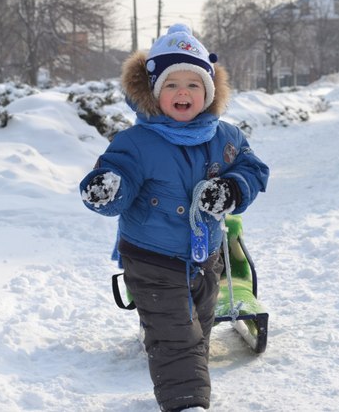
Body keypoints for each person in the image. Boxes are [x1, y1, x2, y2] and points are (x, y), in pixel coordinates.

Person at [79, 24, 269, 412]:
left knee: (196, 330)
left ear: (210, 92)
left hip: (206, 258)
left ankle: (176, 360)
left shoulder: (225, 136)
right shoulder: (135, 143)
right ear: (153, 93)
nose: (183, 92)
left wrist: (232, 188)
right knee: (176, 337)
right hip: (150, 258)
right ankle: (187, 403)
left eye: (193, 84)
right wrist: (107, 188)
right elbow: (121, 179)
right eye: (171, 84)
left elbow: (253, 168)